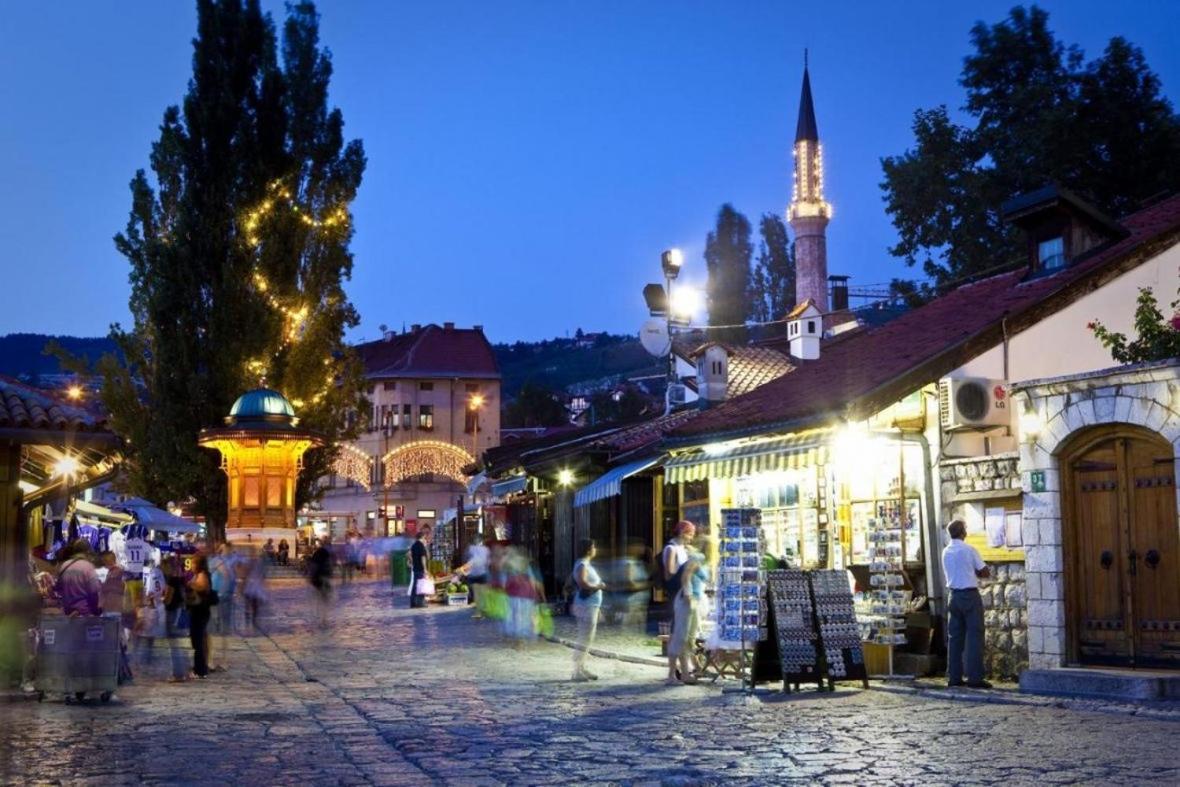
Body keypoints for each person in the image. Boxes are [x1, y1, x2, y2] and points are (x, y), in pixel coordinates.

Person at [942, 519, 992, 689]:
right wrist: (976, 571)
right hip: (969, 595)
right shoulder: (969, 550)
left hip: (953, 596)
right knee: (974, 637)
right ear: (963, 532)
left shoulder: (946, 551)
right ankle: (975, 678)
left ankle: (954, 677)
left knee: (954, 638)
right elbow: (984, 572)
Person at [667, 545, 709, 685]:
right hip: (687, 601)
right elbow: (686, 576)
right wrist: (688, 594)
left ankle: (686, 672)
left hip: (693, 600)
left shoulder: (700, 559)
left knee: (689, 639)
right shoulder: (697, 558)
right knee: (681, 637)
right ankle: (673, 675)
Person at [662, 521, 695, 684]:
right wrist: (684, 572)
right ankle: (671, 674)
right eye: (690, 534)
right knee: (676, 634)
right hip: (676, 595)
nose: (691, 538)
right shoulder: (671, 549)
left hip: (683, 594)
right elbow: (669, 574)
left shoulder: (683, 549)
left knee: (682, 635)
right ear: (682, 533)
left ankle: (683, 671)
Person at [571, 539, 605, 681]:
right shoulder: (582, 565)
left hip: (591, 605)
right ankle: (576, 671)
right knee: (584, 638)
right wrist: (599, 586)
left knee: (587, 638)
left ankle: (582, 667)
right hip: (586, 605)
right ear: (588, 549)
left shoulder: (585, 564)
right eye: (593, 547)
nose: (595, 549)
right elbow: (583, 583)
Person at [208, 543, 238, 671]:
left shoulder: (217, 561)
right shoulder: (230, 561)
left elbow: (226, 575)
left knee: (211, 629)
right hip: (227, 596)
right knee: (224, 630)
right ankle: (223, 660)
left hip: (218, 597)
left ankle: (211, 661)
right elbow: (232, 577)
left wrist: (220, 592)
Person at [185, 554, 214, 679]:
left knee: (198, 640)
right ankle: (200, 667)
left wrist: (190, 585)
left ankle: (200, 669)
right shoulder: (199, 575)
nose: (191, 566)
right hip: (198, 611)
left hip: (200, 611)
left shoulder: (202, 575)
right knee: (198, 639)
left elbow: (201, 587)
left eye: (193, 563)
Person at [162, 556, 190, 682]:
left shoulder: (171, 581)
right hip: (180, 612)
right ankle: (184, 671)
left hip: (172, 613)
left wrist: (161, 600)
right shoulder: (181, 580)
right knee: (180, 644)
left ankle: (178, 673)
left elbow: (168, 599)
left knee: (174, 645)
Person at [56, 539, 101, 617]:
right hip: (84, 615)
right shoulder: (88, 567)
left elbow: (59, 589)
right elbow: (94, 592)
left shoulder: (64, 566)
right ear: (88, 552)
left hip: (67, 614)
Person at [455, 539, 490, 617]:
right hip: (481, 574)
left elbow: (471, 563)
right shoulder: (483, 551)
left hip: (479, 575)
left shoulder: (475, 551)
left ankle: (481, 609)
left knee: (479, 592)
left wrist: (462, 569)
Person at [308, 536, 333, 627]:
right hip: (322, 578)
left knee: (320, 599)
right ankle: (323, 620)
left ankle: (321, 619)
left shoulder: (317, 552)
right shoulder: (325, 553)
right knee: (325, 600)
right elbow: (327, 565)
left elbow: (313, 565)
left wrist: (311, 577)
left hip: (317, 578)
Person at [409, 526, 433, 608]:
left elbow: (409, 555)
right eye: (424, 538)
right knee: (421, 586)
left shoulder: (414, 545)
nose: (425, 540)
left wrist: (412, 562)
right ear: (422, 537)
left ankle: (413, 603)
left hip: (415, 568)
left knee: (415, 585)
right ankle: (420, 603)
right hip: (420, 569)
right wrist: (425, 569)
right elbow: (423, 557)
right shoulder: (421, 546)